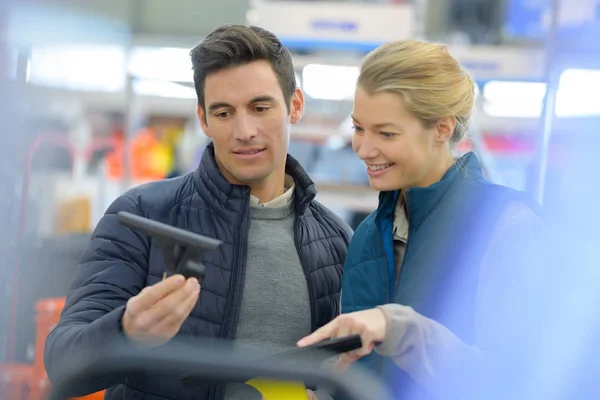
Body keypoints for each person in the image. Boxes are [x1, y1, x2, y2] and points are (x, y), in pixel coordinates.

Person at [44, 25, 352, 400]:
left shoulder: (335, 241)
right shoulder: (143, 215)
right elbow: (63, 363)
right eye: (224, 113)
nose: (244, 131)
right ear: (203, 119)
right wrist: (126, 331)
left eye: (260, 107)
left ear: (295, 106)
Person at [298, 40, 549, 400]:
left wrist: (399, 330)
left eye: (386, 133)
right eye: (358, 128)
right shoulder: (369, 234)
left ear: (442, 129)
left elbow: (513, 382)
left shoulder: (506, 226)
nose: (364, 149)